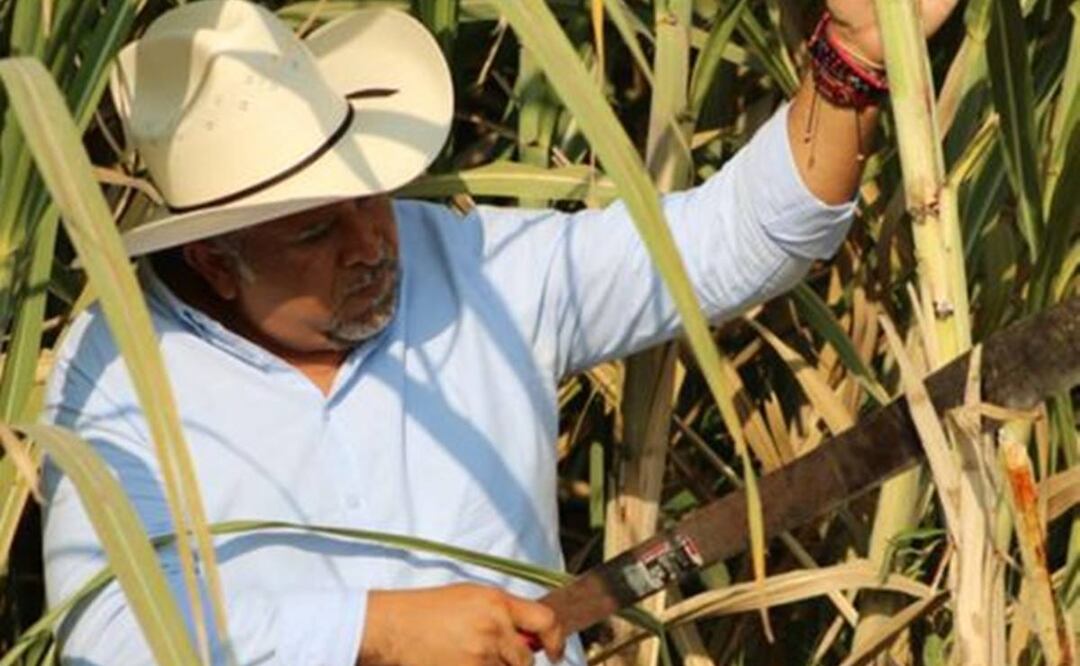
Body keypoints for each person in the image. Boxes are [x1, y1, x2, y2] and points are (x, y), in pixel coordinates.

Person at [41, 1, 958, 664]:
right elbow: (108, 633)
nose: (371, 243)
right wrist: (379, 631)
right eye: (314, 231)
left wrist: (850, 66)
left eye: (372, 192)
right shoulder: (115, 370)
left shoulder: (473, 268)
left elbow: (733, 243)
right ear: (210, 259)